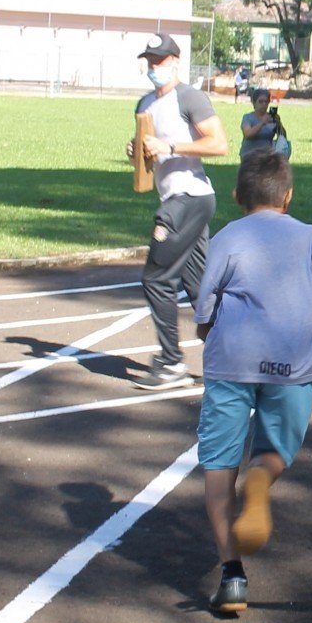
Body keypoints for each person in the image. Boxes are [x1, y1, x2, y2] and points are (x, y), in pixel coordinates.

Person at [193, 152, 312, 615]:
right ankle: (262, 477)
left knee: (220, 466)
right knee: (273, 450)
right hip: (291, 363)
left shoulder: (227, 236)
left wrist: (207, 332)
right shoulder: (311, 236)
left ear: (239, 197)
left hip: (231, 360)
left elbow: (205, 304)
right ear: (288, 197)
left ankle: (232, 576)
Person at [129, 35, 230, 390]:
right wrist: (136, 152)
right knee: (199, 286)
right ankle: (235, 353)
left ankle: (171, 363)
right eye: (149, 61)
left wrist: (170, 145)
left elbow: (219, 144)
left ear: (174, 61)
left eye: (159, 61)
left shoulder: (188, 97)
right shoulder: (144, 104)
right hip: (174, 198)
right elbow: (147, 156)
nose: (153, 68)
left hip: (190, 197)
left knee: (156, 278)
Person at [240, 88, 287, 159]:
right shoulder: (248, 117)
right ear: (254, 103)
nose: (263, 104)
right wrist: (262, 122)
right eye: (260, 102)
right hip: (249, 156)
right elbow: (248, 134)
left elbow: (283, 137)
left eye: (266, 102)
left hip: (267, 157)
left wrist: (279, 124)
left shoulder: (271, 118)